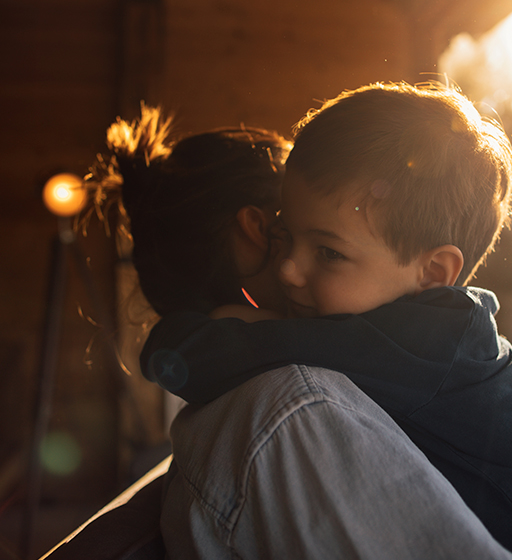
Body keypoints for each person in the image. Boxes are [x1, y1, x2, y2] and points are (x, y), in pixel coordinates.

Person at [90, 103, 512, 559]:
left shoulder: (415, 343)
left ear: (433, 271)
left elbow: (186, 355)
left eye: (328, 252)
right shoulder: (435, 333)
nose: (291, 268)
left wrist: (248, 322)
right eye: (286, 234)